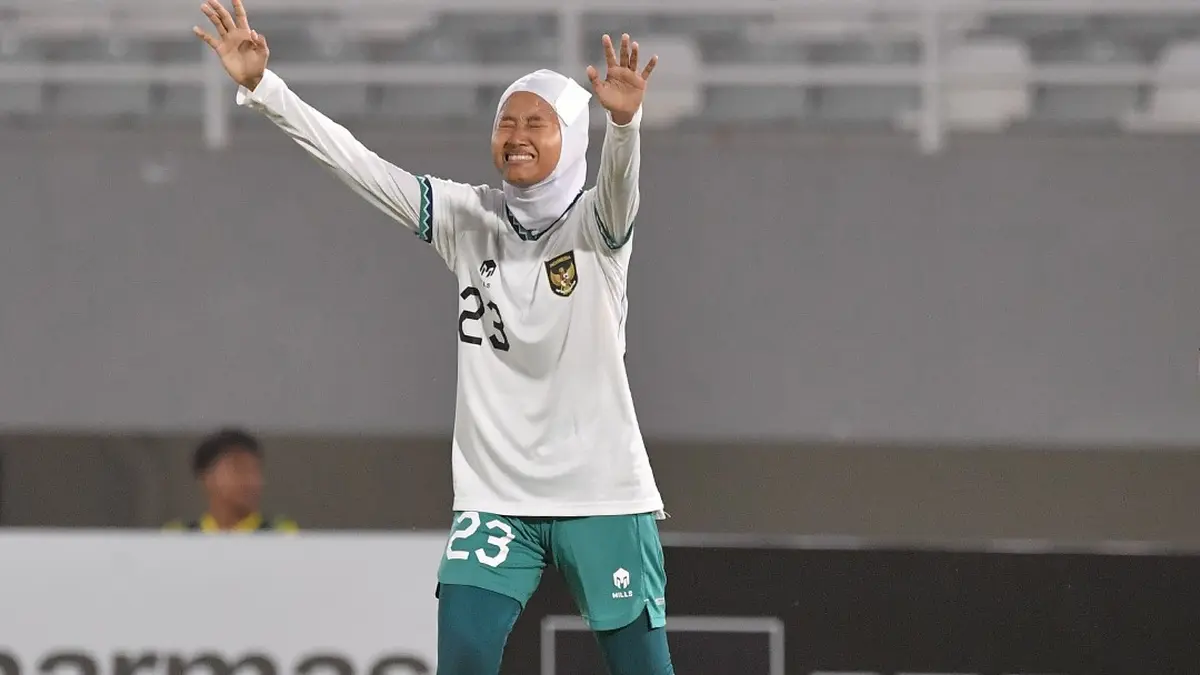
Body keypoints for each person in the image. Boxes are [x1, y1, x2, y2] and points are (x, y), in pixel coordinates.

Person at [194, 1, 670, 673]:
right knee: (463, 660)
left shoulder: (597, 227)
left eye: (537, 123)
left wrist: (625, 125)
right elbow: (358, 165)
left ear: (572, 137)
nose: (516, 135)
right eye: (506, 121)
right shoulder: (465, 215)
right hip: (495, 498)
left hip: (601, 492)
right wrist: (264, 88)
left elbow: (621, 186)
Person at [164, 427, 297, 533]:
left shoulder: (280, 534)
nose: (252, 481)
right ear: (207, 477)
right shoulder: (178, 537)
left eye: (255, 470)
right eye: (239, 469)